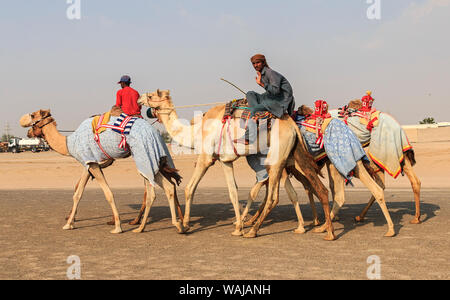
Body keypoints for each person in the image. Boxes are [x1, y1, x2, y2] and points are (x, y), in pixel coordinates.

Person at [235, 54, 295, 144]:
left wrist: (262, 84)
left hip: (279, 101)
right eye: (253, 63)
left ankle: (248, 138)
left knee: (254, 109)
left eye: (258, 63)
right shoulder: (262, 74)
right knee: (250, 94)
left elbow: (276, 91)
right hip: (270, 97)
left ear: (263, 62)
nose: (255, 65)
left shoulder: (270, 73)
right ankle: (257, 114)